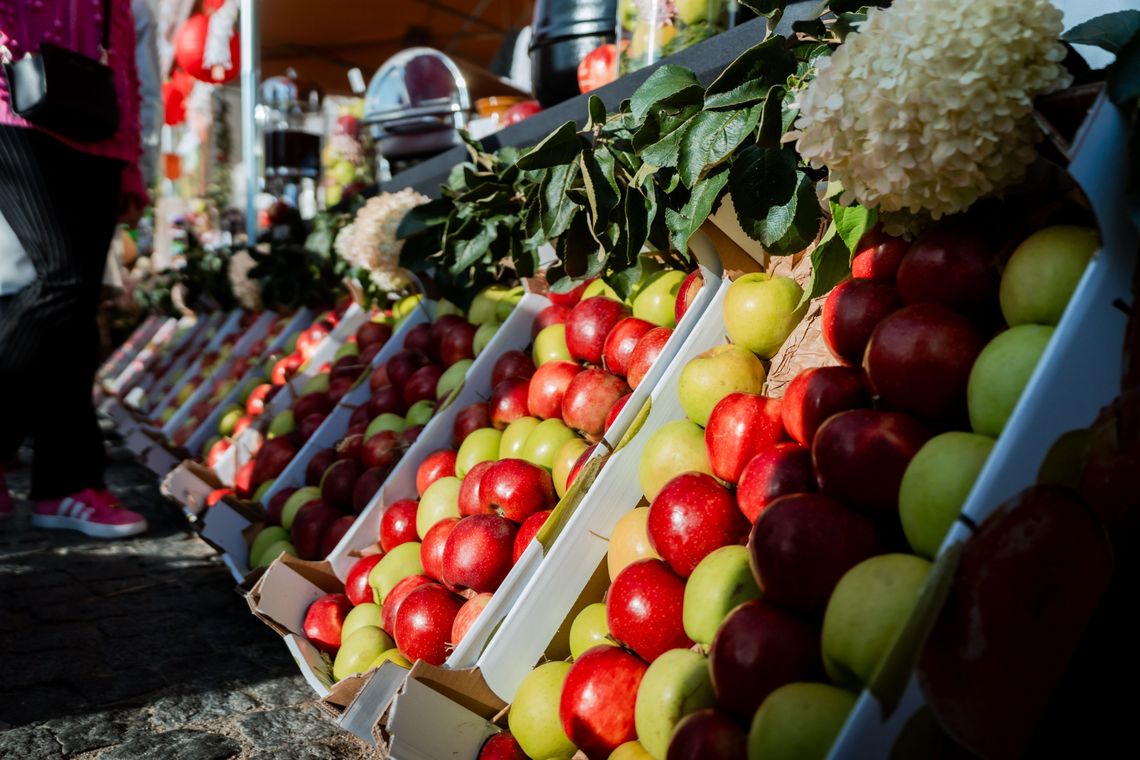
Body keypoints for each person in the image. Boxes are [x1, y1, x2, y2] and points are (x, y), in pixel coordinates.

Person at [0, 0, 149, 537]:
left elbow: (125, 57)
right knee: (63, 278)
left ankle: (65, 486)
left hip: (98, 127)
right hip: (16, 104)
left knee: (80, 305)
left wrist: (131, 162)